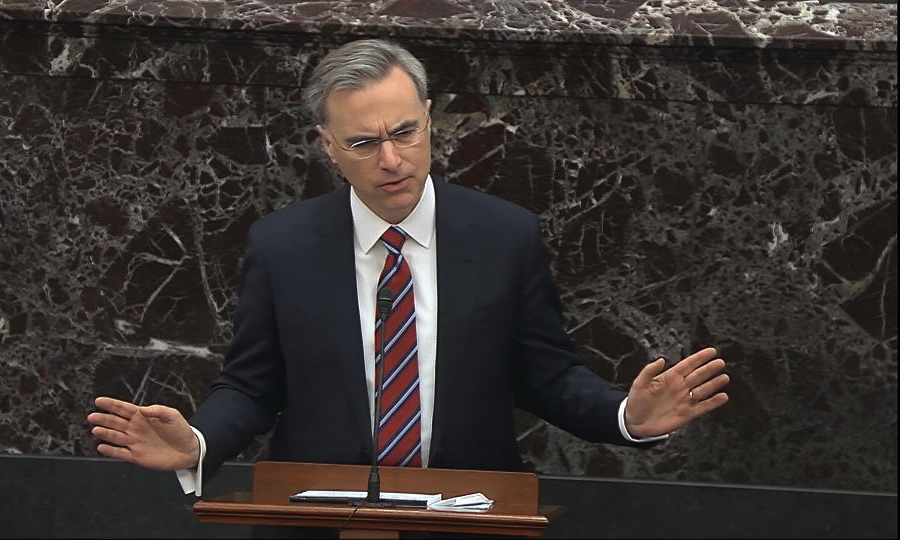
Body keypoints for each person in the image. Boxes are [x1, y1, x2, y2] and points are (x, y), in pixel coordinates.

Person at [87, 39, 729, 499]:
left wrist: (626, 417)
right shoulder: (282, 245)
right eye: (364, 143)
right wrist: (198, 444)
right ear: (328, 147)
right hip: (317, 513)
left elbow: (548, 376)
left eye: (406, 132)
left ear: (429, 121)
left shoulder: (504, 235)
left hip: (469, 512)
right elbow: (253, 386)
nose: (391, 159)